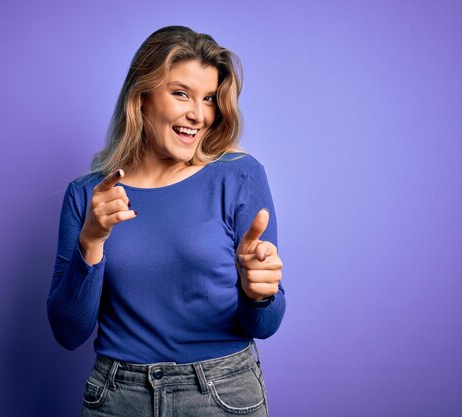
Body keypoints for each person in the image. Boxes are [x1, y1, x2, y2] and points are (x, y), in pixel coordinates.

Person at [48, 25, 285, 417]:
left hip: (220, 394)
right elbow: (68, 332)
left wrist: (259, 293)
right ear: (141, 98)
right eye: (181, 94)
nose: (198, 114)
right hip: (117, 398)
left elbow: (265, 323)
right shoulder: (88, 195)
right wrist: (91, 242)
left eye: (209, 98)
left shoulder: (239, 176)